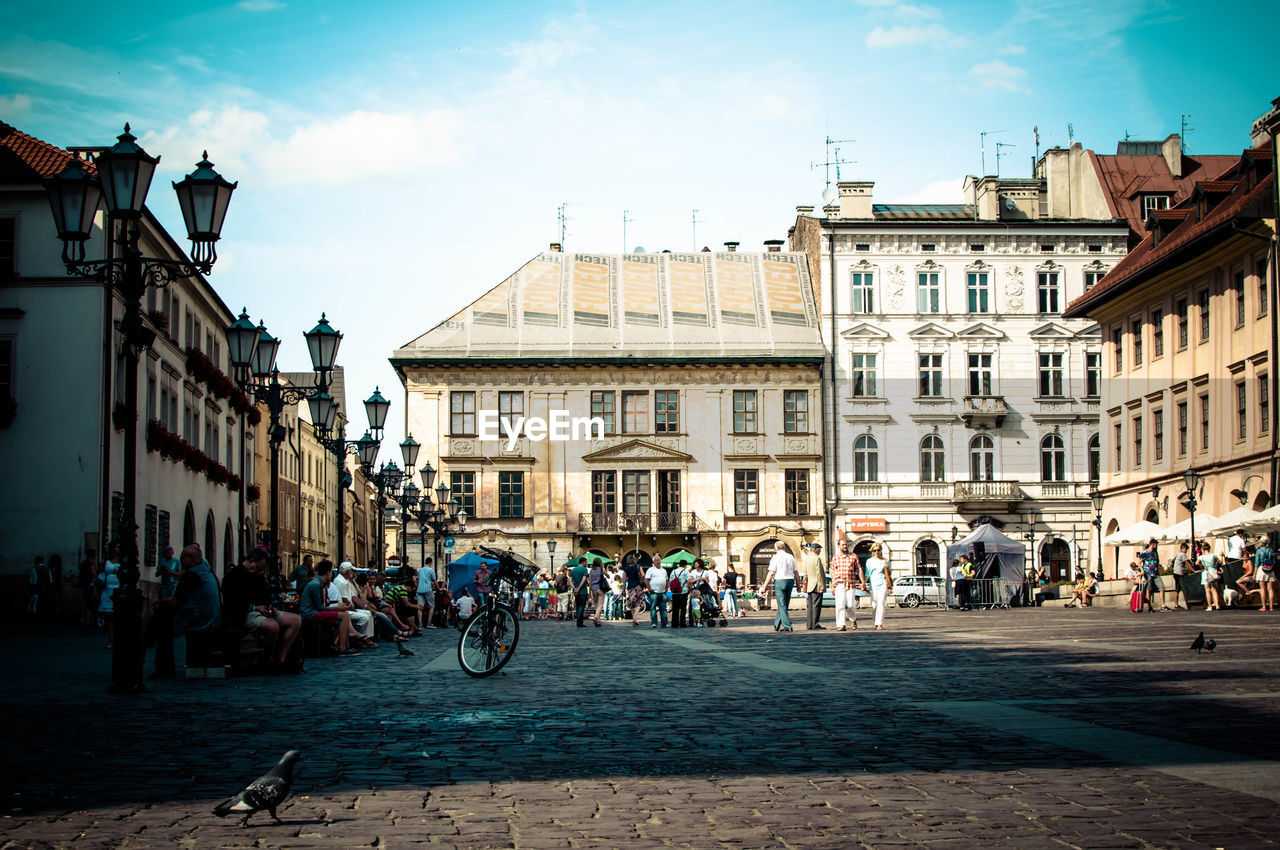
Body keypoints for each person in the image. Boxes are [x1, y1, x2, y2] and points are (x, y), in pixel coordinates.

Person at [225, 548, 303, 667]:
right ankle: (268, 658)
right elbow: (234, 602)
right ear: (251, 561)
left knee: (295, 620)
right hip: (245, 613)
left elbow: (265, 596)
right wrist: (255, 608)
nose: (259, 571)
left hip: (262, 610)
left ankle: (281, 658)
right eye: (258, 568)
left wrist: (270, 606)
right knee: (272, 627)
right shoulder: (234, 575)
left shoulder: (257, 575)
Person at [298, 559, 360, 655]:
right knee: (344, 615)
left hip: (313, 612)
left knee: (345, 614)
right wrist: (337, 608)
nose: (331, 574)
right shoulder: (316, 585)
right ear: (328, 573)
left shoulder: (318, 583)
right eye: (331, 571)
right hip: (310, 614)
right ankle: (342, 647)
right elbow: (319, 607)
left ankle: (345, 645)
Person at [171, 543, 222, 640]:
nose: (180, 560)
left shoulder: (191, 574)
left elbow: (176, 601)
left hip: (201, 624)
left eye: (182, 557)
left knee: (162, 619)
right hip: (214, 622)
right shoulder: (207, 571)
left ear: (190, 558)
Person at [761, 541, 799, 632]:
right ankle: (776, 624)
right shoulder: (790, 557)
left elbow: (771, 573)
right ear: (784, 548)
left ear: (775, 548)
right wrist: (798, 585)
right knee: (784, 604)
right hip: (790, 581)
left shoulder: (775, 557)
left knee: (782, 605)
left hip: (780, 581)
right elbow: (796, 572)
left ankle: (787, 625)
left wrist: (764, 586)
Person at [830, 536, 863, 631]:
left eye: (846, 544)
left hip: (850, 583)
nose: (845, 546)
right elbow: (832, 572)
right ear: (839, 546)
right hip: (839, 583)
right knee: (840, 605)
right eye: (843, 545)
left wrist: (862, 582)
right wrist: (833, 585)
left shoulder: (853, 556)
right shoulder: (835, 558)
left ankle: (853, 619)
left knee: (850, 605)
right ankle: (841, 624)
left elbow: (859, 569)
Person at [98, 542, 123, 647]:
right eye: (117, 547)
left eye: (119, 547)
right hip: (107, 590)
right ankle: (112, 641)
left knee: (119, 617)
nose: (118, 549)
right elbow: (100, 575)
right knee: (109, 617)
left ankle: (119, 640)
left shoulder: (123, 562)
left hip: (119, 590)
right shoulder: (105, 562)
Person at [864, 543, 892, 631]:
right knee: (874, 605)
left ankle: (879, 623)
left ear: (881, 550)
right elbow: (867, 574)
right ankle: (876, 621)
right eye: (874, 550)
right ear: (872, 551)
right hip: (873, 585)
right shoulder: (869, 561)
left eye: (878, 550)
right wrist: (863, 583)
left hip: (882, 584)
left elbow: (889, 573)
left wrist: (886, 568)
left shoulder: (885, 561)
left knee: (881, 603)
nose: (877, 552)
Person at [800, 543, 826, 630]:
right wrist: (821, 586)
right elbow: (819, 573)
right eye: (820, 549)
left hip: (810, 585)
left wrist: (805, 581)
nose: (820, 551)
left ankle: (809, 624)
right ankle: (815, 623)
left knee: (810, 606)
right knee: (816, 606)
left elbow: (805, 572)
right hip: (816, 584)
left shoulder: (807, 558)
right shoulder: (817, 558)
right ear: (816, 549)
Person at [1195, 542, 1223, 611]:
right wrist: (1222, 556)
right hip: (1212, 572)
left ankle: (1210, 606)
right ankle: (1217, 605)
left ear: (1203, 549)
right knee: (1214, 589)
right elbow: (1220, 562)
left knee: (1207, 590)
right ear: (1209, 548)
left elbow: (1196, 563)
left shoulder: (1201, 557)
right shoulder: (1213, 556)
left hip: (1205, 573)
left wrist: (1203, 566)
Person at [643, 558, 669, 628]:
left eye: (659, 560)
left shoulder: (663, 570)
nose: (658, 561)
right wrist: (649, 589)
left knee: (663, 608)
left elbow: (666, 579)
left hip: (662, 592)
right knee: (653, 608)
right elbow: (646, 580)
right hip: (654, 592)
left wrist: (666, 588)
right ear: (653, 562)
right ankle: (654, 623)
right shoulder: (650, 570)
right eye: (656, 560)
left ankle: (665, 623)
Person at [1253, 535, 1276, 612]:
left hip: (1261, 569)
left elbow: (1256, 563)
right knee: (1271, 589)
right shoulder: (1271, 550)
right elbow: (1274, 561)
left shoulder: (1259, 551)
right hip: (1270, 569)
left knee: (1263, 589)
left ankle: (1264, 606)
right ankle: (1271, 606)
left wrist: (1254, 574)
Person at [1138, 539, 1161, 612]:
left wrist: (1157, 569)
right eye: (1156, 544)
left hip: (1155, 573)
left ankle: (1162, 605)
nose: (1156, 545)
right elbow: (1139, 562)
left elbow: (1157, 561)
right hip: (1148, 572)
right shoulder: (1145, 552)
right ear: (1153, 544)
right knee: (1149, 589)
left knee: (1161, 587)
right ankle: (1149, 606)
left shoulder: (1155, 552)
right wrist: (1142, 570)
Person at [78, 549, 98, 626]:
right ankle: (88, 620)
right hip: (90, 585)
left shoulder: (83, 563)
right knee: (90, 603)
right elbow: (94, 574)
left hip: (84, 585)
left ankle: (89, 619)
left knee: (87, 603)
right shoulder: (90, 564)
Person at [668, 559, 690, 629]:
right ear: (685, 565)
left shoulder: (673, 571)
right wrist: (690, 588)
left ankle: (674, 623)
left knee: (675, 608)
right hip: (683, 591)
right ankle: (682, 623)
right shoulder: (685, 571)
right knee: (683, 608)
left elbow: (670, 581)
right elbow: (689, 581)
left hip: (675, 592)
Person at [416, 558, 437, 629]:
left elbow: (418, 580)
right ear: (431, 562)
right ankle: (429, 622)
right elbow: (434, 580)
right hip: (427, 589)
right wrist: (438, 588)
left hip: (420, 589)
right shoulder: (431, 570)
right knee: (432, 606)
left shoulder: (420, 570)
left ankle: (420, 623)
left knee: (420, 607)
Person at [1169, 542, 1190, 609]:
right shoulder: (1182, 554)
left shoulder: (1178, 554)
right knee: (1177, 589)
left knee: (1178, 588)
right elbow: (1187, 563)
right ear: (1183, 548)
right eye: (1186, 549)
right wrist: (1193, 570)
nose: (1186, 551)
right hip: (1179, 574)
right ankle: (1176, 604)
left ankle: (1177, 603)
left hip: (1176, 573)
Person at [588, 558, 608, 627]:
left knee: (596, 605)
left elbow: (590, 582)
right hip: (600, 588)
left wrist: (589, 591)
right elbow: (608, 576)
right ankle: (596, 617)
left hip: (593, 589)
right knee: (600, 605)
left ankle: (598, 622)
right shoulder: (601, 569)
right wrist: (603, 569)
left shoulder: (591, 571)